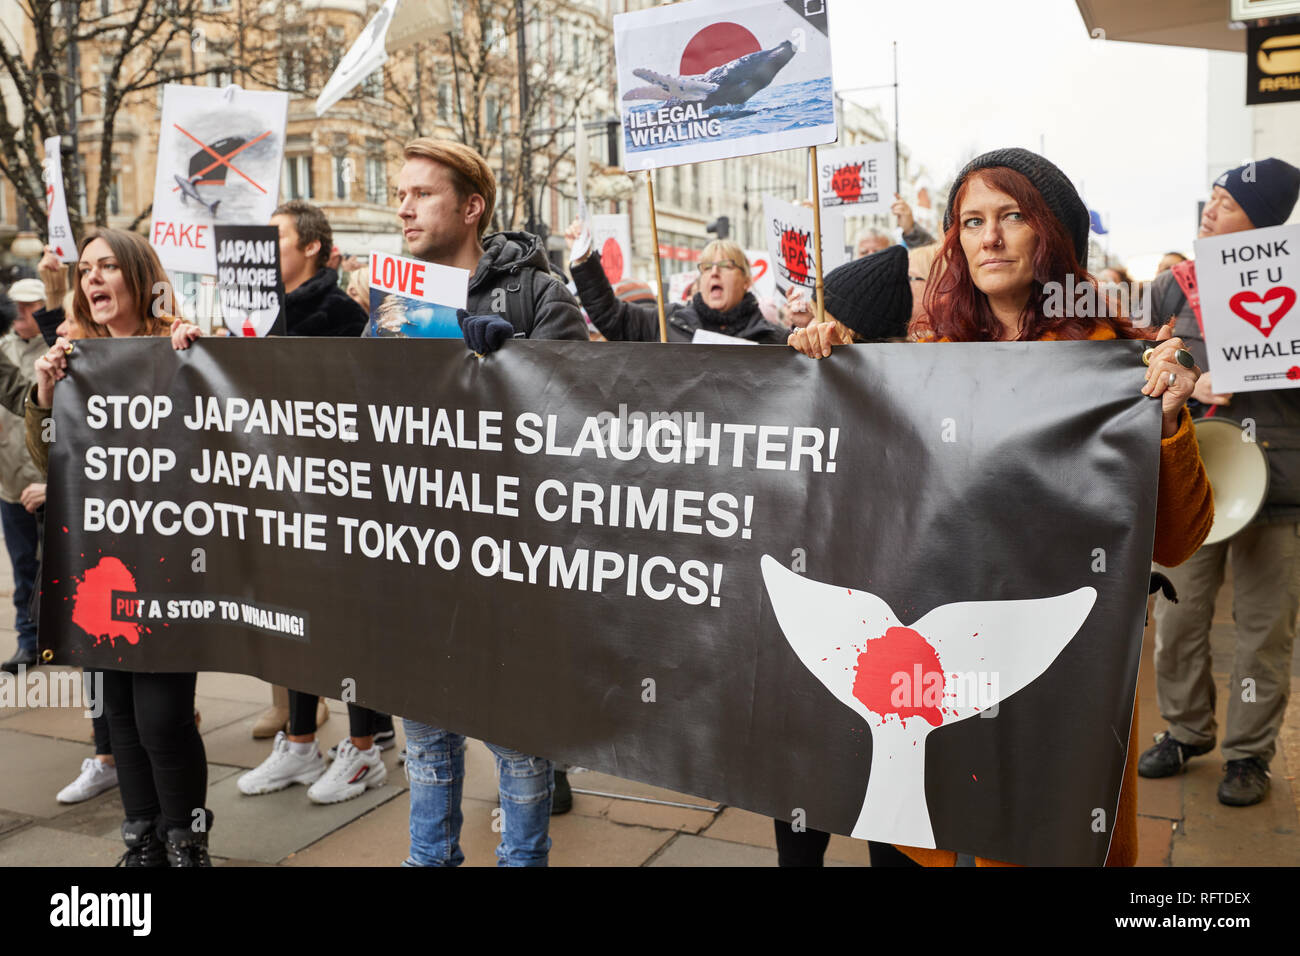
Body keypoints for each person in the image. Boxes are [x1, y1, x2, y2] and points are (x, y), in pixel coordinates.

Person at [790, 147, 1214, 867]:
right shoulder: (927, 359)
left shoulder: (1121, 367)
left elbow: (1177, 540)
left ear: (1051, 233)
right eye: (970, 221)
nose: (988, 237)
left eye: (1011, 216)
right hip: (938, 678)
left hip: (1054, 677)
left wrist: (1169, 423)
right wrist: (831, 372)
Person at [389, 137, 586, 864]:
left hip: (513, 568)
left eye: (422, 194)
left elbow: (588, 414)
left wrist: (520, 363)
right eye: (400, 193)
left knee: (519, 747)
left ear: (471, 208)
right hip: (419, 556)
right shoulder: (390, 296)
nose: (403, 207)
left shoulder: (539, 293)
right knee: (429, 741)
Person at [173, 201, 399, 802]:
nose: (262, 249)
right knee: (290, 619)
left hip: (339, 506)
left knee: (348, 626)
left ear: (313, 249)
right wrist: (201, 348)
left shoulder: (342, 317)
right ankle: (300, 744)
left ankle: (362, 749)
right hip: (278, 502)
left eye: (276, 239)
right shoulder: (253, 316)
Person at [26, 227, 212, 865]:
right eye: (84, 271)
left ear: (138, 275)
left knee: (163, 717)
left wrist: (200, 361)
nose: (92, 280)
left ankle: (187, 839)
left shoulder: (183, 343)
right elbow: (51, 459)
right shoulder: (74, 355)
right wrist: (48, 395)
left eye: (106, 267)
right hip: (99, 568)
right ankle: (143, 841)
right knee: (121, 720)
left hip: (162, 569)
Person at [1139, 158, 1300, 808]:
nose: (1209, 211)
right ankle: (1185, 729)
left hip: (1279, 485)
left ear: (1259, 220)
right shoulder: (1173, 288)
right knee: (1178, 620)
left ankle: (1248, 756)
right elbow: (1144, 359)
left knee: (1265, 629)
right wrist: (1179, 372)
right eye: (1209, 199)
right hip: (1194, 481)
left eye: (1226, 203)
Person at [567, 226, 785, 344]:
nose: (714, 272)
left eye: (726, 265)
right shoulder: (667, 321)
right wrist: (585, 261)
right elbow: (611, 316)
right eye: (707, 267)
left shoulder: (773, 340)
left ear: (746, 281)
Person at [0, 281, 47, 675]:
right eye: (17, 305)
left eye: (31, 305)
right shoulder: (3, 350)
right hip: (11, 484)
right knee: (22, 568)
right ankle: (28, 641)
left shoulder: (57, 347)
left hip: (52, 485)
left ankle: (66, 640)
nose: (21, 312)